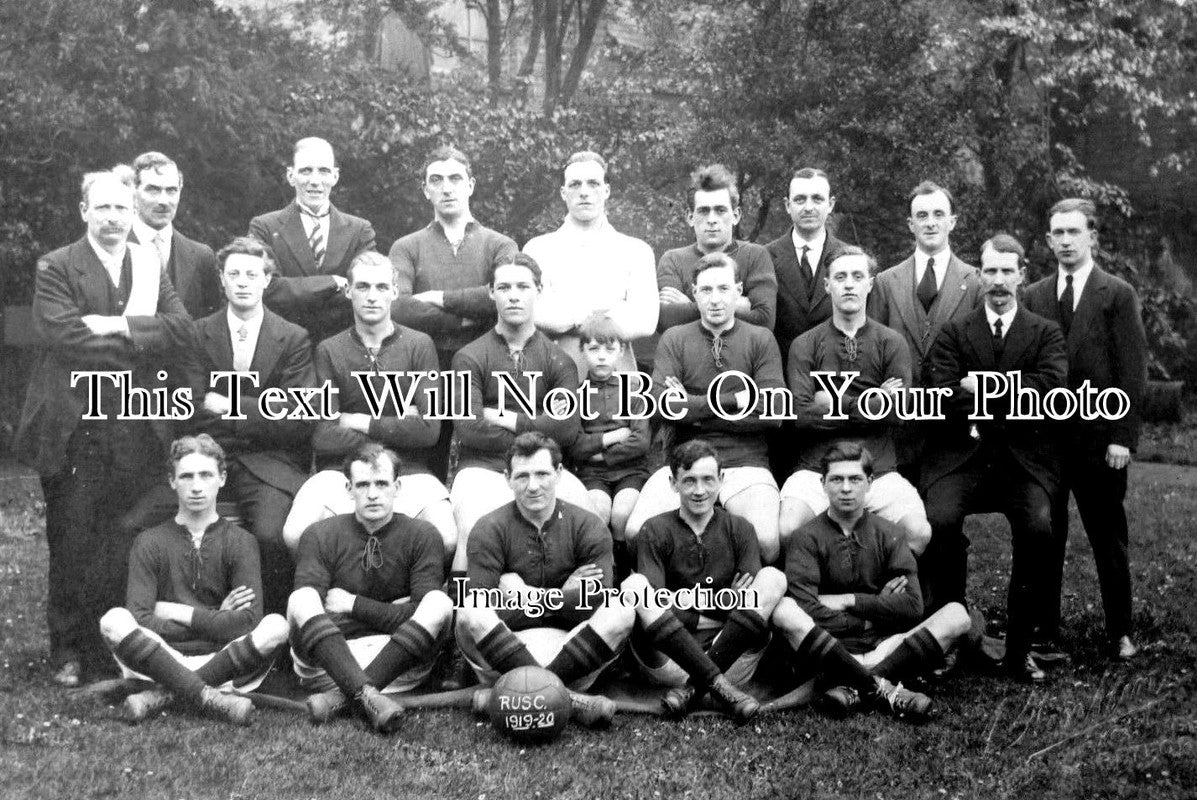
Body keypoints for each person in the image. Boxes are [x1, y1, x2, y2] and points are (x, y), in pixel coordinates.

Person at [15, 170, 193, 686]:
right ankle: (68, 649)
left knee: (120, 534)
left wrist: (117, 326)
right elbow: (66, 336)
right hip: (74, 427)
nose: (114, 217)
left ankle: (112, 641)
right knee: (71, 536)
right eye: (104, 208)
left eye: (122, 208)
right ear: (84, 211)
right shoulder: (57, 266)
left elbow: (180, 327)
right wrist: (143, 340)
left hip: (133, 423)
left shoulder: (147, 261)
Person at [121, 237, 315, 615]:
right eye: (234, 274)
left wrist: (229, 408)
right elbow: (191, 405)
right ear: (222, 281)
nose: (243, 282)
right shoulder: (197, 332)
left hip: (268, 463)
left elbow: (296, 415)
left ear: (267, 280)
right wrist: (261, 411)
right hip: (201, 457)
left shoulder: (293, 337)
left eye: (252, 274)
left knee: (270, 537)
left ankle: (271, 633)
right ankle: (156, 625)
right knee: (135, 524)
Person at [921, 234, 1067, 683]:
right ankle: (947, 638)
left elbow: (1048, 392)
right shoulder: (954, 332)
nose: (999, 281)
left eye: (1008, 271)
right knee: (939, 521)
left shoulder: (1046, 332)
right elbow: (944, 396)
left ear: (1022, 275)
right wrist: (1011, 389)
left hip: (1023, 462)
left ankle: (1020, 648)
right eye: (991, 271)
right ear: (979, 275)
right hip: (962, 458)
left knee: (1039, 526)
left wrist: (979, 387)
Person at [1024, 198, 1147, 662]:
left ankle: (1120, 630)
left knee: (1107, 535)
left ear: (1092, 237)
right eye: (1057, 233)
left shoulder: (1116, 294)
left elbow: (1132, 372)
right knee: (1047, 535)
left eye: (1074, 232)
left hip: (1100, 440)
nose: (1065, 241)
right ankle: (1046, 627)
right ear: (1049, 239)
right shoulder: (1035, 295)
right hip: (1049, 444)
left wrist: (1122, 437)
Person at [98, 435, 289, 725]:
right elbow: (140, 618)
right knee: (114, 620)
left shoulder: (241, 541)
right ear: (172, 481)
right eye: (186, 476)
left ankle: (163, 695)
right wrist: (216, 620)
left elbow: (248, 621)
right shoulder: (149, 541)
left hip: (223, 660)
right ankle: (209, 696)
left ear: (222, 478)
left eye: (206, 475)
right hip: (161, 659)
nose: (197, 486)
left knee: (276, 626)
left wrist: (179, 612)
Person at [771, 442, 969, 722]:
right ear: (823, 484)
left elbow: (912, 607)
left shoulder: (890, 534)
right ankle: (882, 685)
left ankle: (853, 684)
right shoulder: (806, 537)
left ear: (870, 482)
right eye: (837, 479)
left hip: (883, 646)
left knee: (957, 615)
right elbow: (805, 608)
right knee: (784, 610)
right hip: (829, 645)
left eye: (855, 479)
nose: (846, 488)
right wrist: (873, 615)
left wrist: (850, 601)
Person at [282, 251, 457, 560]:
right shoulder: (328, 350)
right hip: (343, 472)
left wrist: (360, 421)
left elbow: (429, 431)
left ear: (394, 291)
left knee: (444, 537)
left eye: (380, 287)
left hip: (408, 470)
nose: (372, 297)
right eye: (362, 287)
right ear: (348, 291)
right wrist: (401, 422)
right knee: (296, 533)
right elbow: (323, 436)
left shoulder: (419, 345)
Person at [456, 433, 633, 727]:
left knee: (622, 609)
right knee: (470, 610)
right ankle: (567, 698)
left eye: (542, 474)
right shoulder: (488, 528)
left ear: (559, 474)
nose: (533, 486)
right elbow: (482, 604)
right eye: (522, 476)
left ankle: (516, 695)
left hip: (574, 650)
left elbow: (596, 601)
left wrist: (525, 594)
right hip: (503, 653)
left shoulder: (588, 525)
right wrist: (564, 596)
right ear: (507, 478)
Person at [626, 253, 785, 562]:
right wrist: (737, 400)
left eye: (724, 289)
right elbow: (662, 406)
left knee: (766, 541)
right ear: (693, 292)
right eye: (706, 290)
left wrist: (692, 405)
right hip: (684, 460)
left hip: (744, 461)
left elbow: (773, 411)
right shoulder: (674, 338)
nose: (715, 299)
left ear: (739, 292)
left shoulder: (761, 338)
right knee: (636, 531)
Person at [287, 444, 453, 733]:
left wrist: (352, 605)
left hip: (400, 668)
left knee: (439, 602)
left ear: (397, 486)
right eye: (363, 484)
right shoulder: (319, 534)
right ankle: (367, 696)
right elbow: (311, 612)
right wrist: (397, 613)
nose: (373, 494)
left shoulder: (423, 535)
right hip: (329, 666)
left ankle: (346, 697)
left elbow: (423, 610)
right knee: (302, 598)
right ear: (349, 489)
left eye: (381, 484)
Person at [448, 253, 594, 576]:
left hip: (543, 469)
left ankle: (575, 609)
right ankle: (461, 617)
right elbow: (470, 428)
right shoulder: (468, 357)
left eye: (523, 286)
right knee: (473, 527)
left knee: (587, 514)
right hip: (482, 468)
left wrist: (504, 419)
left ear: (538, 290)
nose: (514, 295)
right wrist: (541, 428)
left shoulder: (559, 360)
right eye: (504, 287)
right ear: (490, 292)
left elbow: (567, 430)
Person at [779, 247, 931, 555]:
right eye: (840, 277)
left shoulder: (891, 342)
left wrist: (835, 402)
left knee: (918, 532)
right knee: (788, 529)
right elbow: (801, 415)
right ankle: (815, 595)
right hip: (817, 466)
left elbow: (897, 413)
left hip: (878, 467)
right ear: (827, 285)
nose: (849, 284)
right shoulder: (805, 344)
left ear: (870, 283)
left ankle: (880, 591)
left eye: (857, 276)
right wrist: (873, 401)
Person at [626, 440, 787, 722]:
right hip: (673, 661)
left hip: (732, 658)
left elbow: (751, 600)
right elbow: (656, 605)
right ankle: (718, 688)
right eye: (688, 481)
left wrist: (685, 606)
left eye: (707, 480)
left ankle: (693, 690)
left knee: (772, 578)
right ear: (673, 483)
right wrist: (726, 606)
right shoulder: (653, 530)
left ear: (721, 480)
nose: (699, 491)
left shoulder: (740, 528)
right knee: (635, 586)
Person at [389, 146, 517, 478]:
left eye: (455, 178)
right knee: (423, 462)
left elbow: (501, 299)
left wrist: (439, 297)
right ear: (425, 190)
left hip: (486, 365)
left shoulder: (500, 245)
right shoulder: (407, 247)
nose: (447, 187)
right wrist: (467, 314)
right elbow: (399, 306)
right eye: (437, 180)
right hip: (425, 363)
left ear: (470, 185)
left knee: (486, 463)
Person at [524, 151, 658, 374]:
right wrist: (605, 313)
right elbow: (533, 312)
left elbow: (645, 321)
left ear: (606, 190)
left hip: (617, 373)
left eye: (593, 183)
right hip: (554, 369)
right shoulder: (537, 249)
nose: (584, 192)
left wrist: (569, 313)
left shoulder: (636, 251)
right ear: (563, 193)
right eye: (575, 184)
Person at [249, 136, 376, 344]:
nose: (315, 181)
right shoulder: (264, 227)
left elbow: (366, 289)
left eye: (324, 171)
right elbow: (264, 288)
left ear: (335, 176)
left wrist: (293, 289)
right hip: (281, 346)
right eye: (306, 171)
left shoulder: (360, 230)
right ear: (291, 176)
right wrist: (332, 282)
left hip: (342, 346)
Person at [869, 182, 981, 386]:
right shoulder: (885, 282)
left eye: (938, 214)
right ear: (911, 224)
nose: (930, 223)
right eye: (922, 216)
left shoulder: (975, 282)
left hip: (954, 408)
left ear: (952, 222)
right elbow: (872, 348)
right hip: (901, 408)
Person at [656, 164, 777, 340]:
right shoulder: (673, 259)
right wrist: (736, 303)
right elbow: (664, 320)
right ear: (690, 217)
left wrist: (691, 304)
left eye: (720, 210)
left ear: (736, 215)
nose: (712, 220)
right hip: (688, 361)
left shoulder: (755, 255)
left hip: (742, 360)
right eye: (704, 211)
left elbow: (764, 320)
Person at [568, 314, 652, 547]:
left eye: (609, 348)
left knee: (622, 514)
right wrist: (613, 436)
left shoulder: (634, 390)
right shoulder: (577, 394)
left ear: (622, 351)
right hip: (592, 474)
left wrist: (600, 454)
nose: (602, 356)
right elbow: (575, 444)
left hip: (631, 470)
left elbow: (640, 441)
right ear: (582, 351)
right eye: (594, 349)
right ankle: (604, 567)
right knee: (598, 512)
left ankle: (624, 571)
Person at [765, 167, 853, 364]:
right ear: (787, 205)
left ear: (830, 204)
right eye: (800, 199)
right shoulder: (765, 257)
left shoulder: (850, 259)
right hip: (782, 375)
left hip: (836, 376)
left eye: (817, 199)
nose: (808, 207)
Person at [127, 151, 222, 319]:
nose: (163, 201)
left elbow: (211, 325)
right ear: (133, 192)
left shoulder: (202, 256)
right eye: (153, 190)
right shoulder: (112, 249)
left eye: (171, 190)